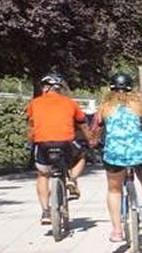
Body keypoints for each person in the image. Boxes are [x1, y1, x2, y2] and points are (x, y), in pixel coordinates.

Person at [94, 73, 142, 243]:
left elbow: (97, 128)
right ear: (131, 88)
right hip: (138, 150)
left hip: (114, 154)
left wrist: (95, 142)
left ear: (111, 88)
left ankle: (116, 230)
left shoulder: (105, 106)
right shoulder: (138, 104)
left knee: (114, 190)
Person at [26, 71, 93, 224]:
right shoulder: (70, 103)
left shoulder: (34, 103)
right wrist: (90, 141)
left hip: (42, 144)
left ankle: (45, 212)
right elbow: (83, 123)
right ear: (59, 88)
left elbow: (31, 126)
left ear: (46, 88)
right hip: (65, 144)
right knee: (81, 156)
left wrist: (30, 142)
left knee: (43, 175)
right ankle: (72, 179)